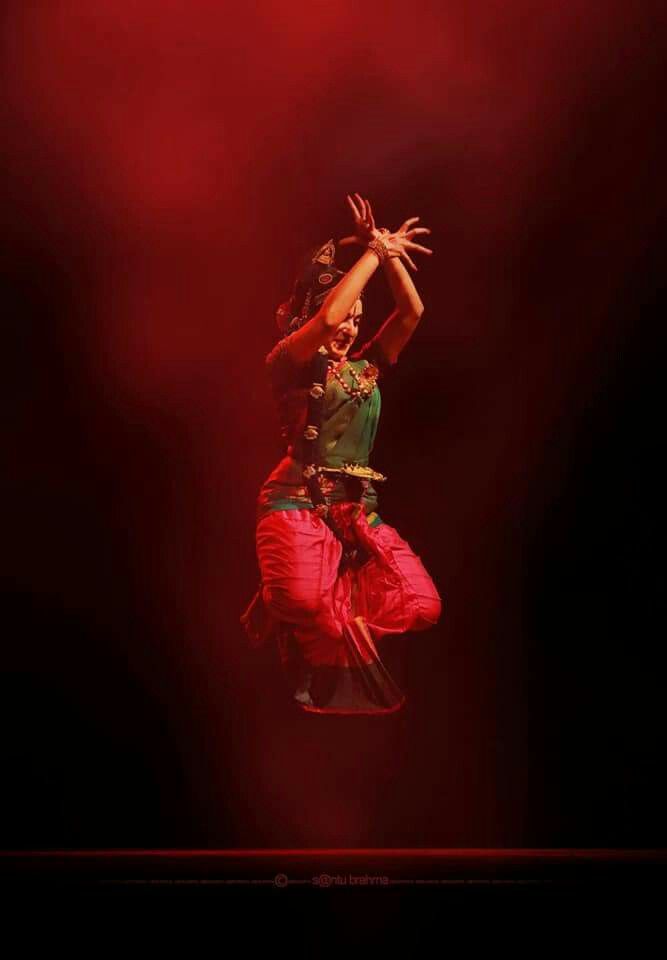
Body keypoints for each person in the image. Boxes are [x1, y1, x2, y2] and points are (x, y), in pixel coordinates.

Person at [241, 194, 442, 714]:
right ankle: (282, 599)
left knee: (421, 605)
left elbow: (412, 310)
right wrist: (373, 250)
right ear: (309, 310)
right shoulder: (289, 360)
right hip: (294, 504)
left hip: (353, 512)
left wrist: (391, 254)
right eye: (347, 315)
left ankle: (312, 601)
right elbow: (328, 319)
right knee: (308, 607)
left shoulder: (367, 366)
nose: (351, 326)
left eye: (359, 317)